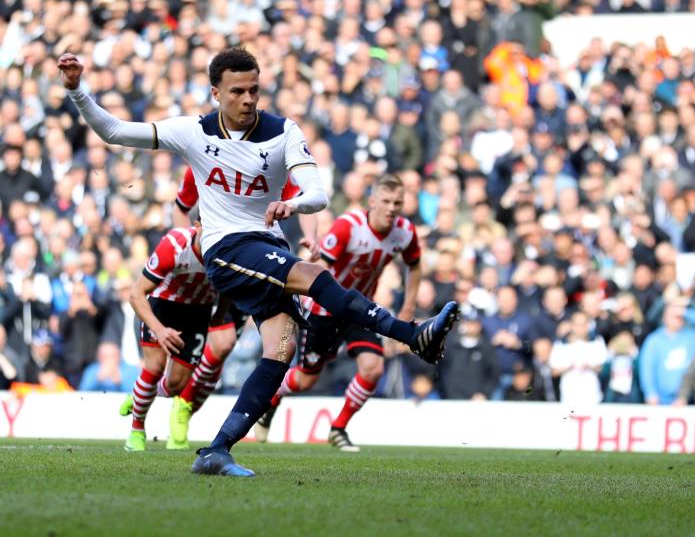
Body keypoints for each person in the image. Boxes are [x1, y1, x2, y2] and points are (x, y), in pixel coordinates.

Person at [58, 48, 460, 476]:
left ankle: (216, 449)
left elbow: (318, 193)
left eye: (254, 89)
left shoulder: (283, 132)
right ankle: (412, 334)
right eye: (237, 91)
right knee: (315, 276)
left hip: (268, 244)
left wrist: (295, 205)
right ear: (216, 93)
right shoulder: (193, 131)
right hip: (226, 248)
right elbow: (115, 131)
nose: (248, 99)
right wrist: (76, 89)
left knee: (282, 346)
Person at [254, 173, 425, 451]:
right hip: (325, 310)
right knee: (305, 379)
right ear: (372, 201)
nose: (392, 208)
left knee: (373, 368)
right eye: (386, 201)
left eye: (398, 202)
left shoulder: (405, 232)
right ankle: (271, 401)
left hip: (361, 310)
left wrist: (408, 307)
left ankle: (338, 428)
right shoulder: (348, 226)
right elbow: (320, 266)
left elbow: (414, 265)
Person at [167, 166, 305, 449]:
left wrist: (311, 236)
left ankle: (185, 405)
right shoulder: (202, 162)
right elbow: (181, 210)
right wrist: (188, 247)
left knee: (225, 347)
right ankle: (177, 403)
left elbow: (302, 200)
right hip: (216, 265)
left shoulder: (266, 165)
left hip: (253, 264)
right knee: (221, 343)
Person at [118, 223, 220, 451]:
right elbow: (136, 294)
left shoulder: (228, 249)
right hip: (162, 305)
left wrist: (219, 317)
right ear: (197, 226)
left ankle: (138, 394)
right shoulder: (174, 245)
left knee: (175, 385)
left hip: (198, 311)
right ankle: (136, 431)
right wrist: (160, 329)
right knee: (153, 368)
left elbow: (230, 290)